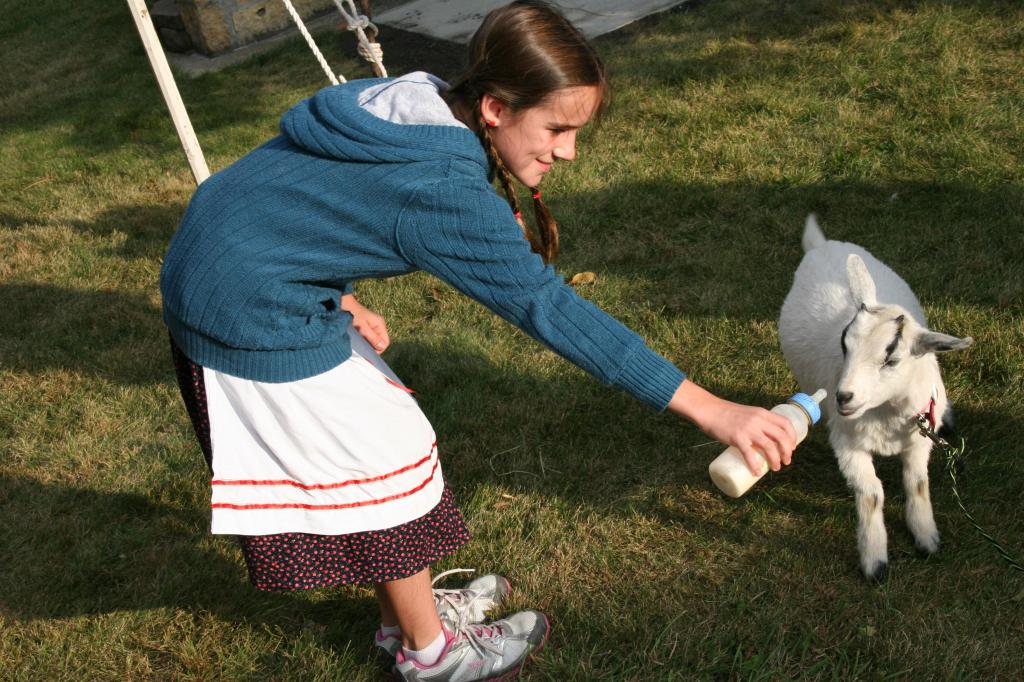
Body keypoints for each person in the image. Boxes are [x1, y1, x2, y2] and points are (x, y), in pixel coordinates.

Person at [160, 1, 797, 679]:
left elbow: (313, 191)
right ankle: (427, 655)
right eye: (556, 128)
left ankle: (405, 621)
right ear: (494, 108)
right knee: (385, 460)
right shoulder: (443, 191)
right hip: (245, 306)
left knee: (382, 453)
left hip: (230, 262)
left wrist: (337, 290)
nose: (568, 150)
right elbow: (550, 309)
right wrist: (711, 408)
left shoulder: (421, 97)